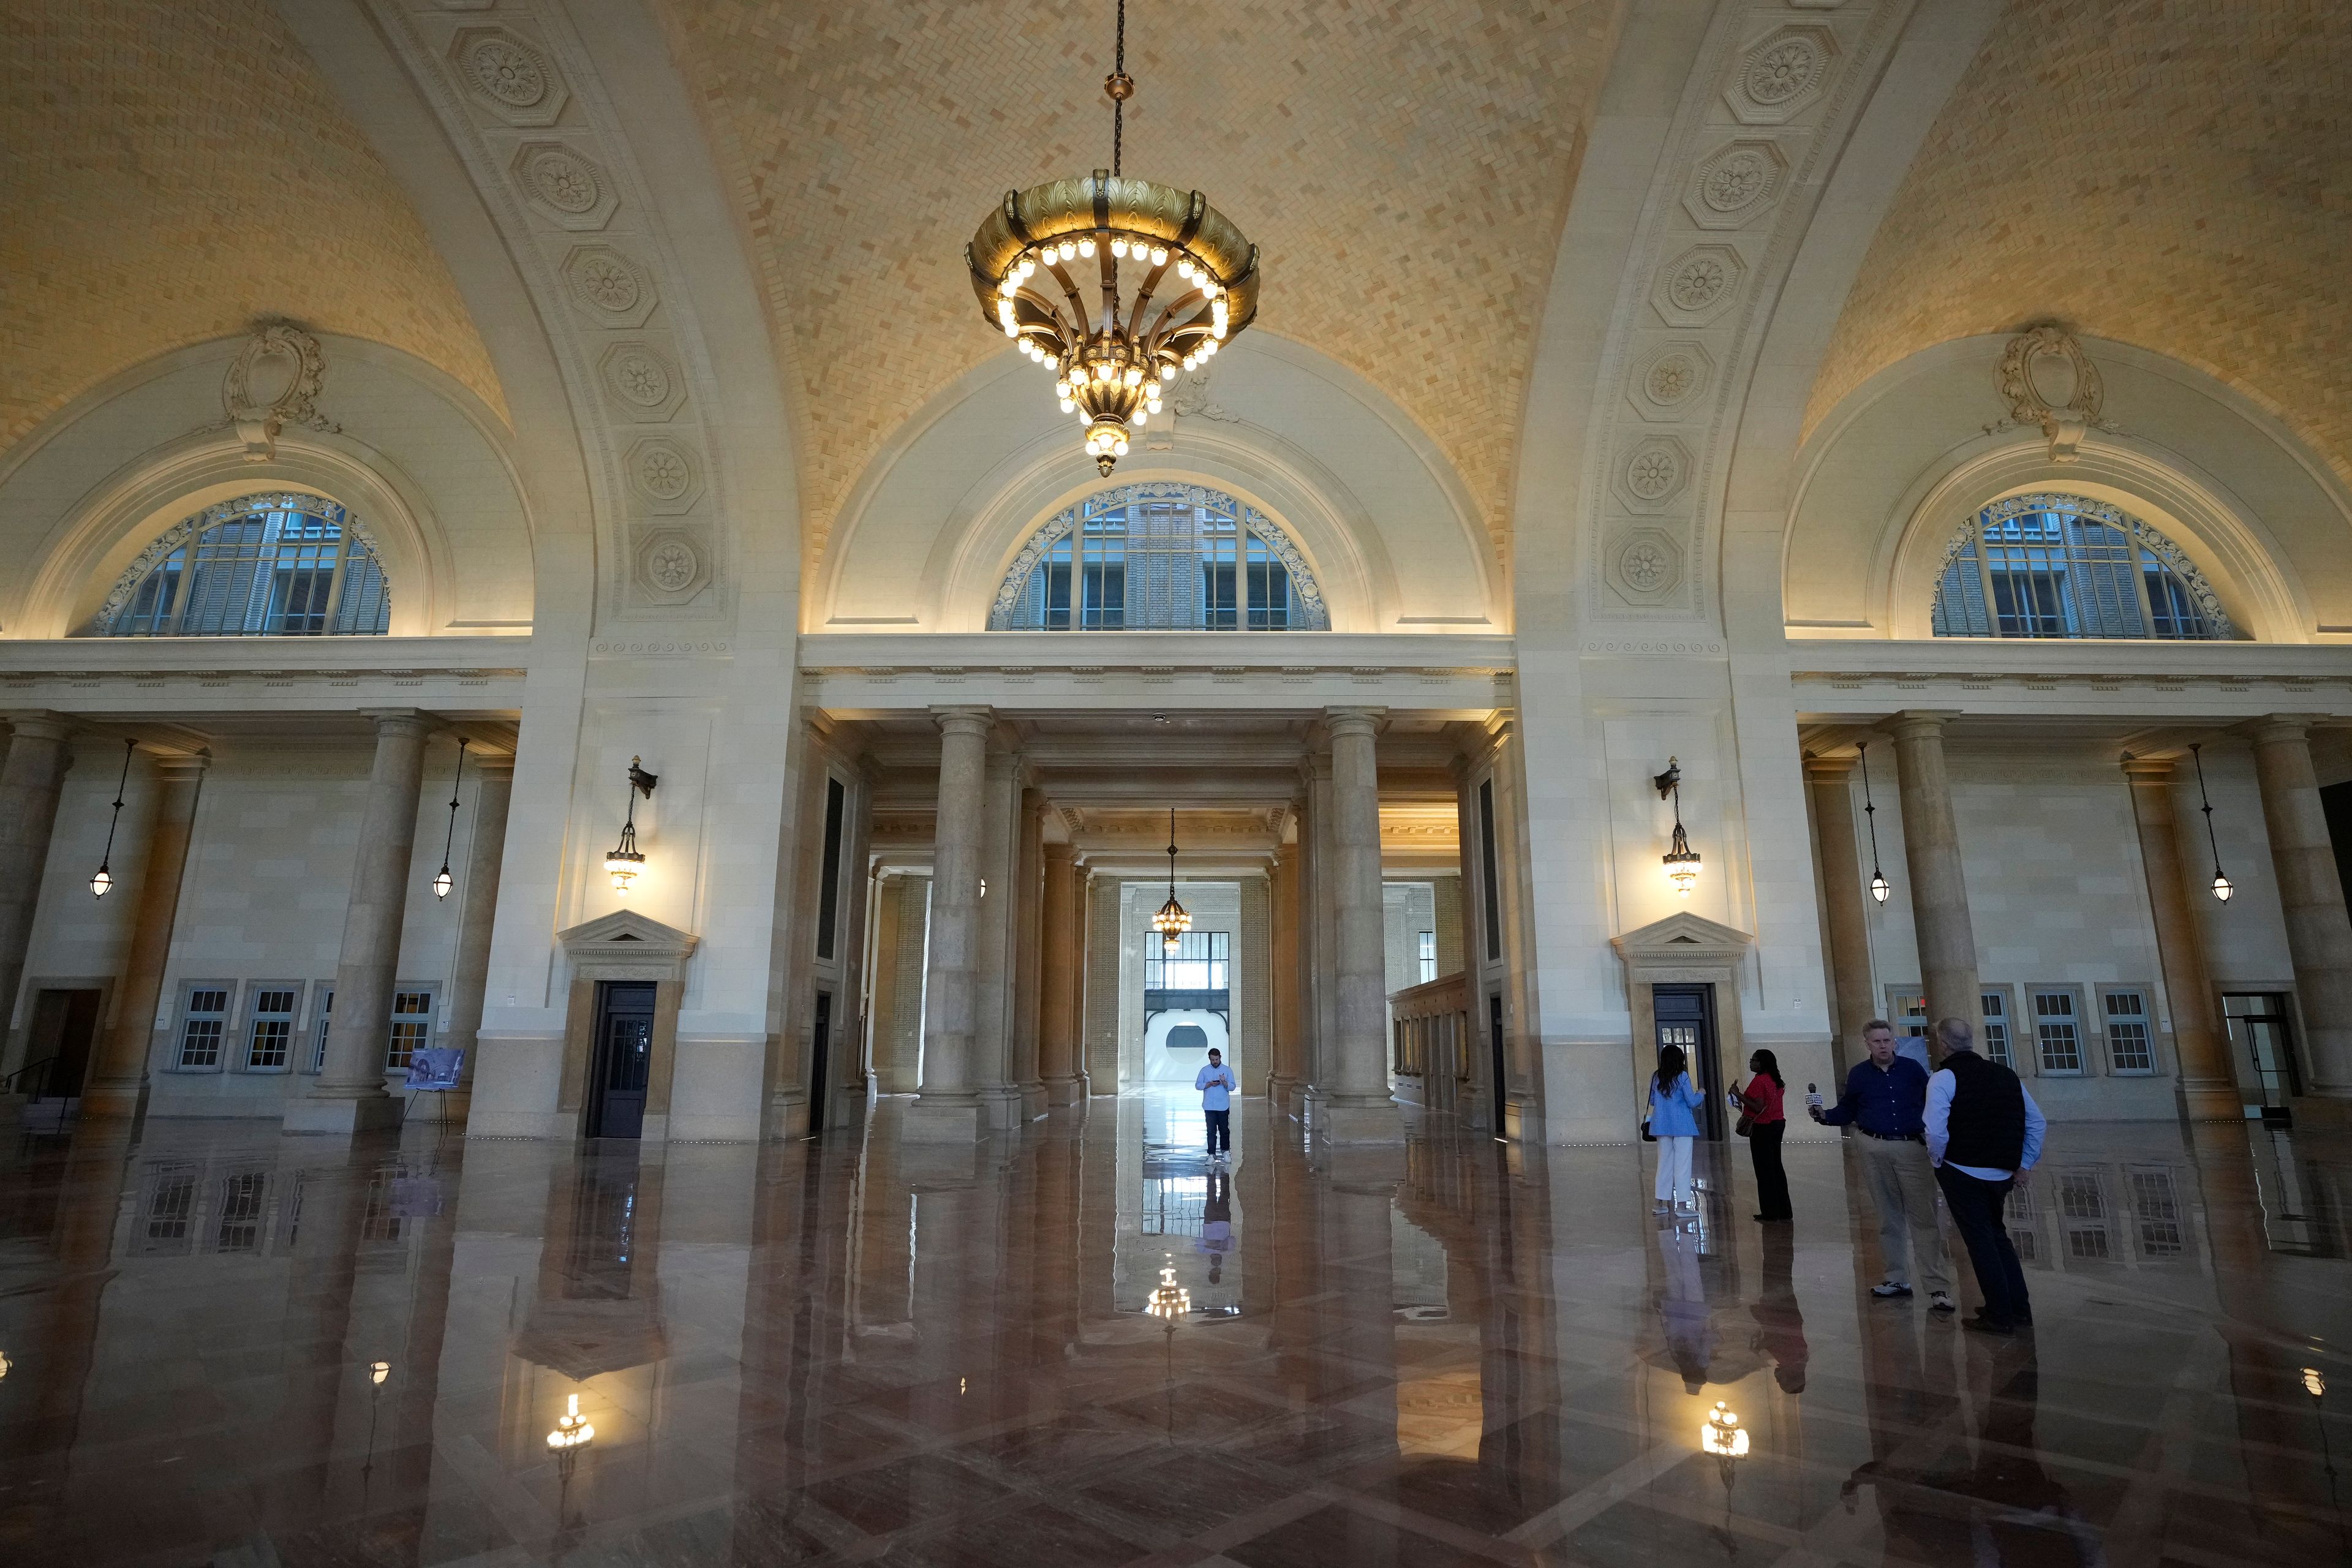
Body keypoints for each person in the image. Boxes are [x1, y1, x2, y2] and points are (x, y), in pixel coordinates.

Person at [1810, 1019, 1955, 1311]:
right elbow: (1849, 1108)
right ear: (1868, 1044)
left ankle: (1937, 1287)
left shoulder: (1913, 1070)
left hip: (1912, 1148)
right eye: (1877, 1042)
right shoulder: (1860, 1074)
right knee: (1889, 1217)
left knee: (1924, 1218)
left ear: (1894, 1042)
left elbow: (1934, 1103)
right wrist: (1825, 1115)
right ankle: (1897, 1279)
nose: (1883, 1046)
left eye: (1887, 1041)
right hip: (1874, 1147)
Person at [1923, 1016, 2045, 1335]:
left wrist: (1939, 1161)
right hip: (2001, 1173)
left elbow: (1935, 1131)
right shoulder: (2006, 1075)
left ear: (1943, 1043)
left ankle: (1999, 1315)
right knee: (1997, 1236)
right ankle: (2019, 1308)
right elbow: (2037, 1122)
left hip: (1962, 1171)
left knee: (1981, 1242)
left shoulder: (1943, 1077)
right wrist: (2025, 1164)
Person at [1647, 1043, 1706, 1215]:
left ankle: (1659, 1204)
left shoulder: (1656, 1077)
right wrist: (1701, 1093)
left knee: (1663, 1165)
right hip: (1683, 1126)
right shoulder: (1682, 1076)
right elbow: (1692, 1102)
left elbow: (1652, 1101)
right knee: (1682, 1166)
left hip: (1661, 1125)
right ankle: (1682, 1207)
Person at [1737, 1048, 1792, 1223]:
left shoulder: (1760, 1081)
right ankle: (1784, 1210)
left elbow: (1757, 1105)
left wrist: (1736, 1093)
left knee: (1764, 1169)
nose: (1751, 1063)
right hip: (1777, 1124)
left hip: (1763, 1127)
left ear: (1761, 1063)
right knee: (1776, 1167)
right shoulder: (1775, 1080)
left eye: (1753, 1060)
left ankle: (1770, 1212)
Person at [1196, 1047, 1237, 1161]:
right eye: (1213, 1060)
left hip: (1223, 1106)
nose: (1215, 1062)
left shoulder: (1227, 1070)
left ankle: (1225, 1151)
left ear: (1220, 1058)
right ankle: (1211, 1154)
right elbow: (1198, 1085)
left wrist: (1224, 1082)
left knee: (1224, 1130)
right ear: (1209, 1059)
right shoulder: (1204, 1071)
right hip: (1209, 1106)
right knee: (1211, 1131)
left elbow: (1233, 1087)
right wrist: (1208, 1084)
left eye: (1217, 1059)